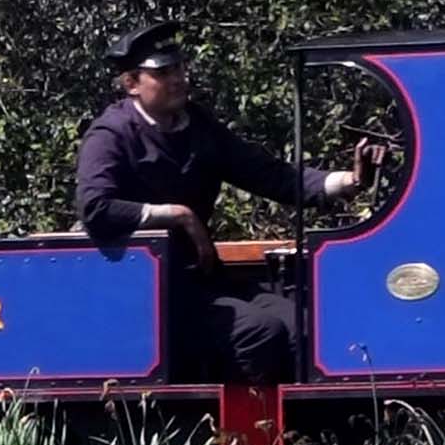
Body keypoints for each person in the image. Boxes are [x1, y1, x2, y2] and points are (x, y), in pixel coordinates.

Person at [72, 23, 378, 383]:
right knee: (259, 331)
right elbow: (95, 208)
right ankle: (240, 438)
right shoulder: (112, 134)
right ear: (132, 84)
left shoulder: (199, 126)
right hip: (148, 298)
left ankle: (306, 436)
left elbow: (270, 175)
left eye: (179, 69)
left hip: (201, 281)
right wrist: (177, 216)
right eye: (163, 72)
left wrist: (349, 181)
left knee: (305, 325)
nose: (177, 80)